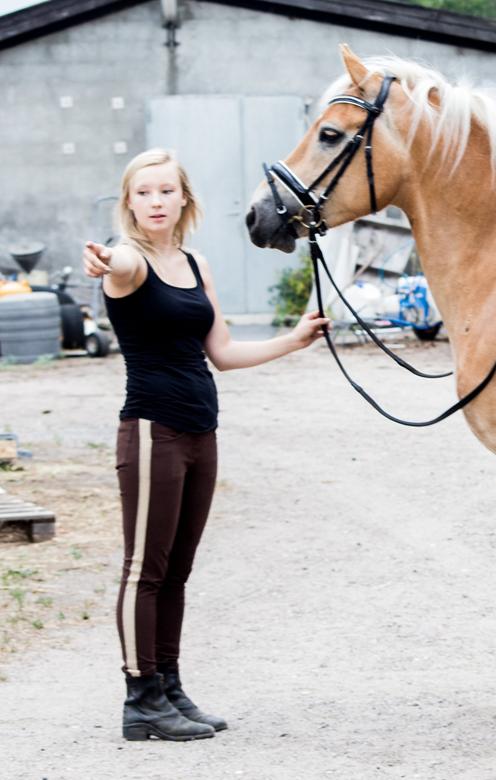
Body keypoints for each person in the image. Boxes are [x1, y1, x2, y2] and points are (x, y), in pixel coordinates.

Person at [82, 148, 329, 741]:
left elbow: (221, 354)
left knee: (177, 571)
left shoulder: (195, 264)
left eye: (166, 191)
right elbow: (112, 262)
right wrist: (101, 258)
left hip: (199, 431)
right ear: (129, 202)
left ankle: (168, 686)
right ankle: (140, 698)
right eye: (144, 193)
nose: (156, 202)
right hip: (152, 431)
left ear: (184, 198)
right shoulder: (130, 264)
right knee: (145, 568)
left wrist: (292, 341)